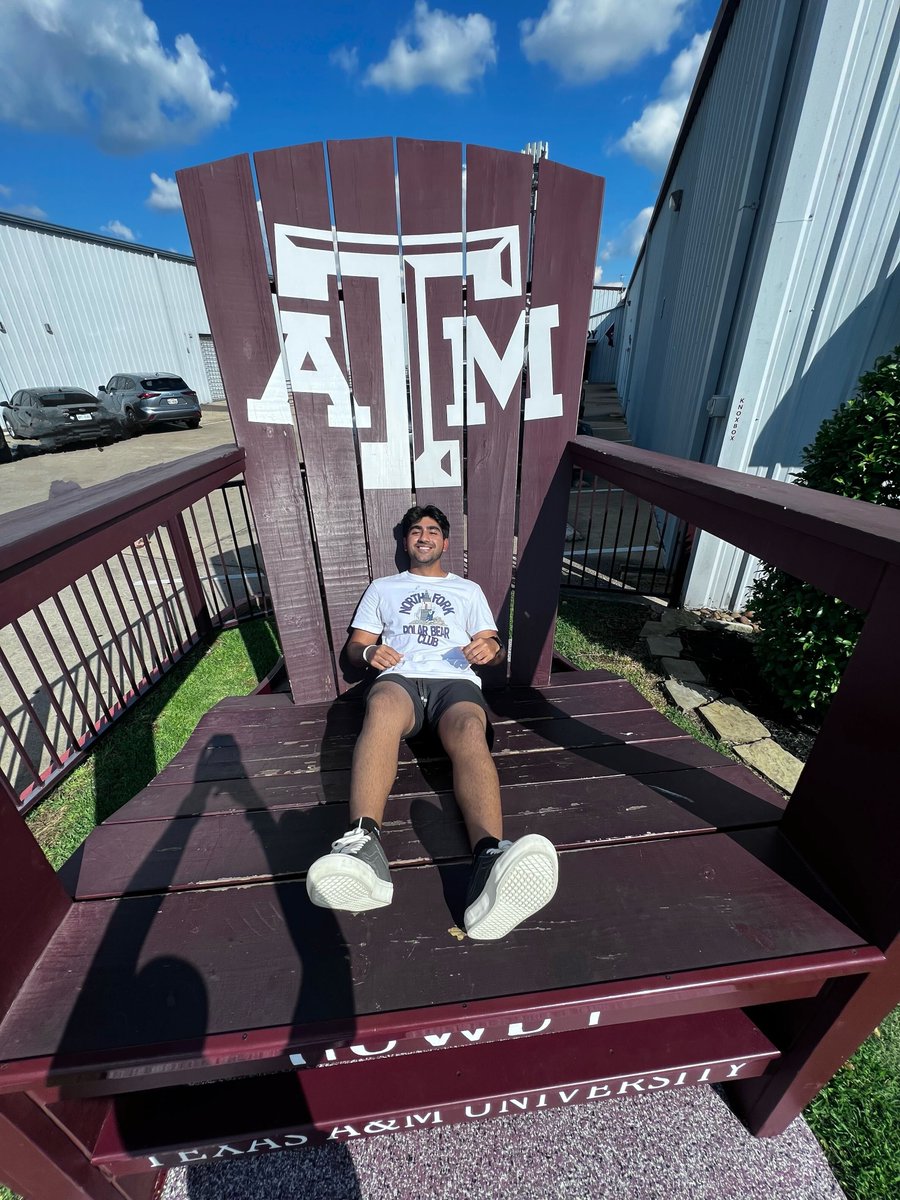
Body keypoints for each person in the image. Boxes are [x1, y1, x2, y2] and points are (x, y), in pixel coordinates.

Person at [306, 504, 559, 940]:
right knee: (381, 705)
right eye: (415, 531)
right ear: (406, 542)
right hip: (400, 680)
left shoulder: (468, 591)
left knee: (469, 731)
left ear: (445, 542)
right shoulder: (383, 588)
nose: (424, 536)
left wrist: (490, 651)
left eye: (433, 531)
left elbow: (492, 646)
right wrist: (369, 654)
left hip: (454, 683)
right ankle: (363, 846)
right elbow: (356, 647)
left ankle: (490, 861)